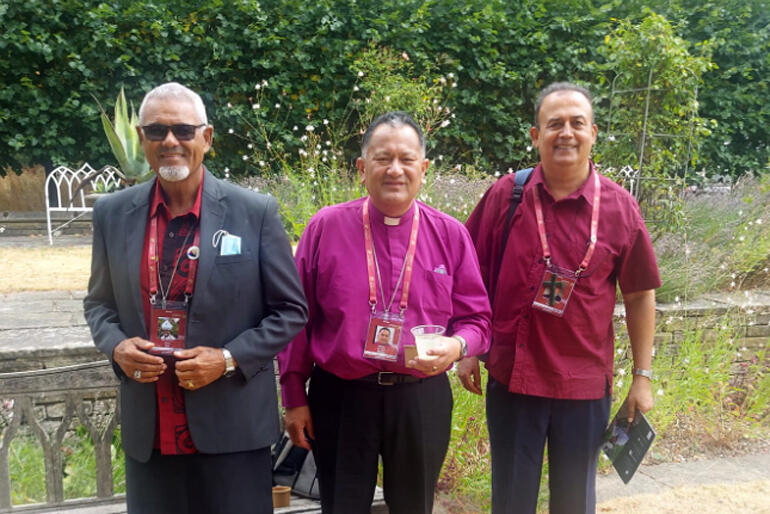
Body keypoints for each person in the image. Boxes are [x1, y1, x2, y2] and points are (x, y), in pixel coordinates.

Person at [83, 82, 308, 514]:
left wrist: (226, 359)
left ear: (206, 138)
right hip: (152, 433)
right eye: (156, 130)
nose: (170, 141)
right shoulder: (112, 213)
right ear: (142, 139)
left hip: (233, 431)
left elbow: (291, 310)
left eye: (183, 130)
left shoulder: (254, 212)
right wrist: (117, 347)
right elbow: (98, 304)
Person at [458, 82, 660, 513]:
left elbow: (641, 294)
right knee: (511, 500)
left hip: (583, 385)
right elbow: (469, 274)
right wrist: (467, 347)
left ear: (593, 132)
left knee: (573, 503)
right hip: (515, 378)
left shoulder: (620, 209)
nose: (565, 133)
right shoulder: (506, 195)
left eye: (576, 123)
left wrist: (642, 377)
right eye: (554, 124)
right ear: (536, 135)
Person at [278, 111, 491, 514]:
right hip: (341, 395)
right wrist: (293, 395)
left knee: (414, 507)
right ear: (362, 168)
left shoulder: (449, 235)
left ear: (423, 168)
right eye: (382, 158)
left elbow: (477, 318)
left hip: (419, 398)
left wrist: (458, 345)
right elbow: (296, 316)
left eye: (406, 159)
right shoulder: (325, 228)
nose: (395, 169)